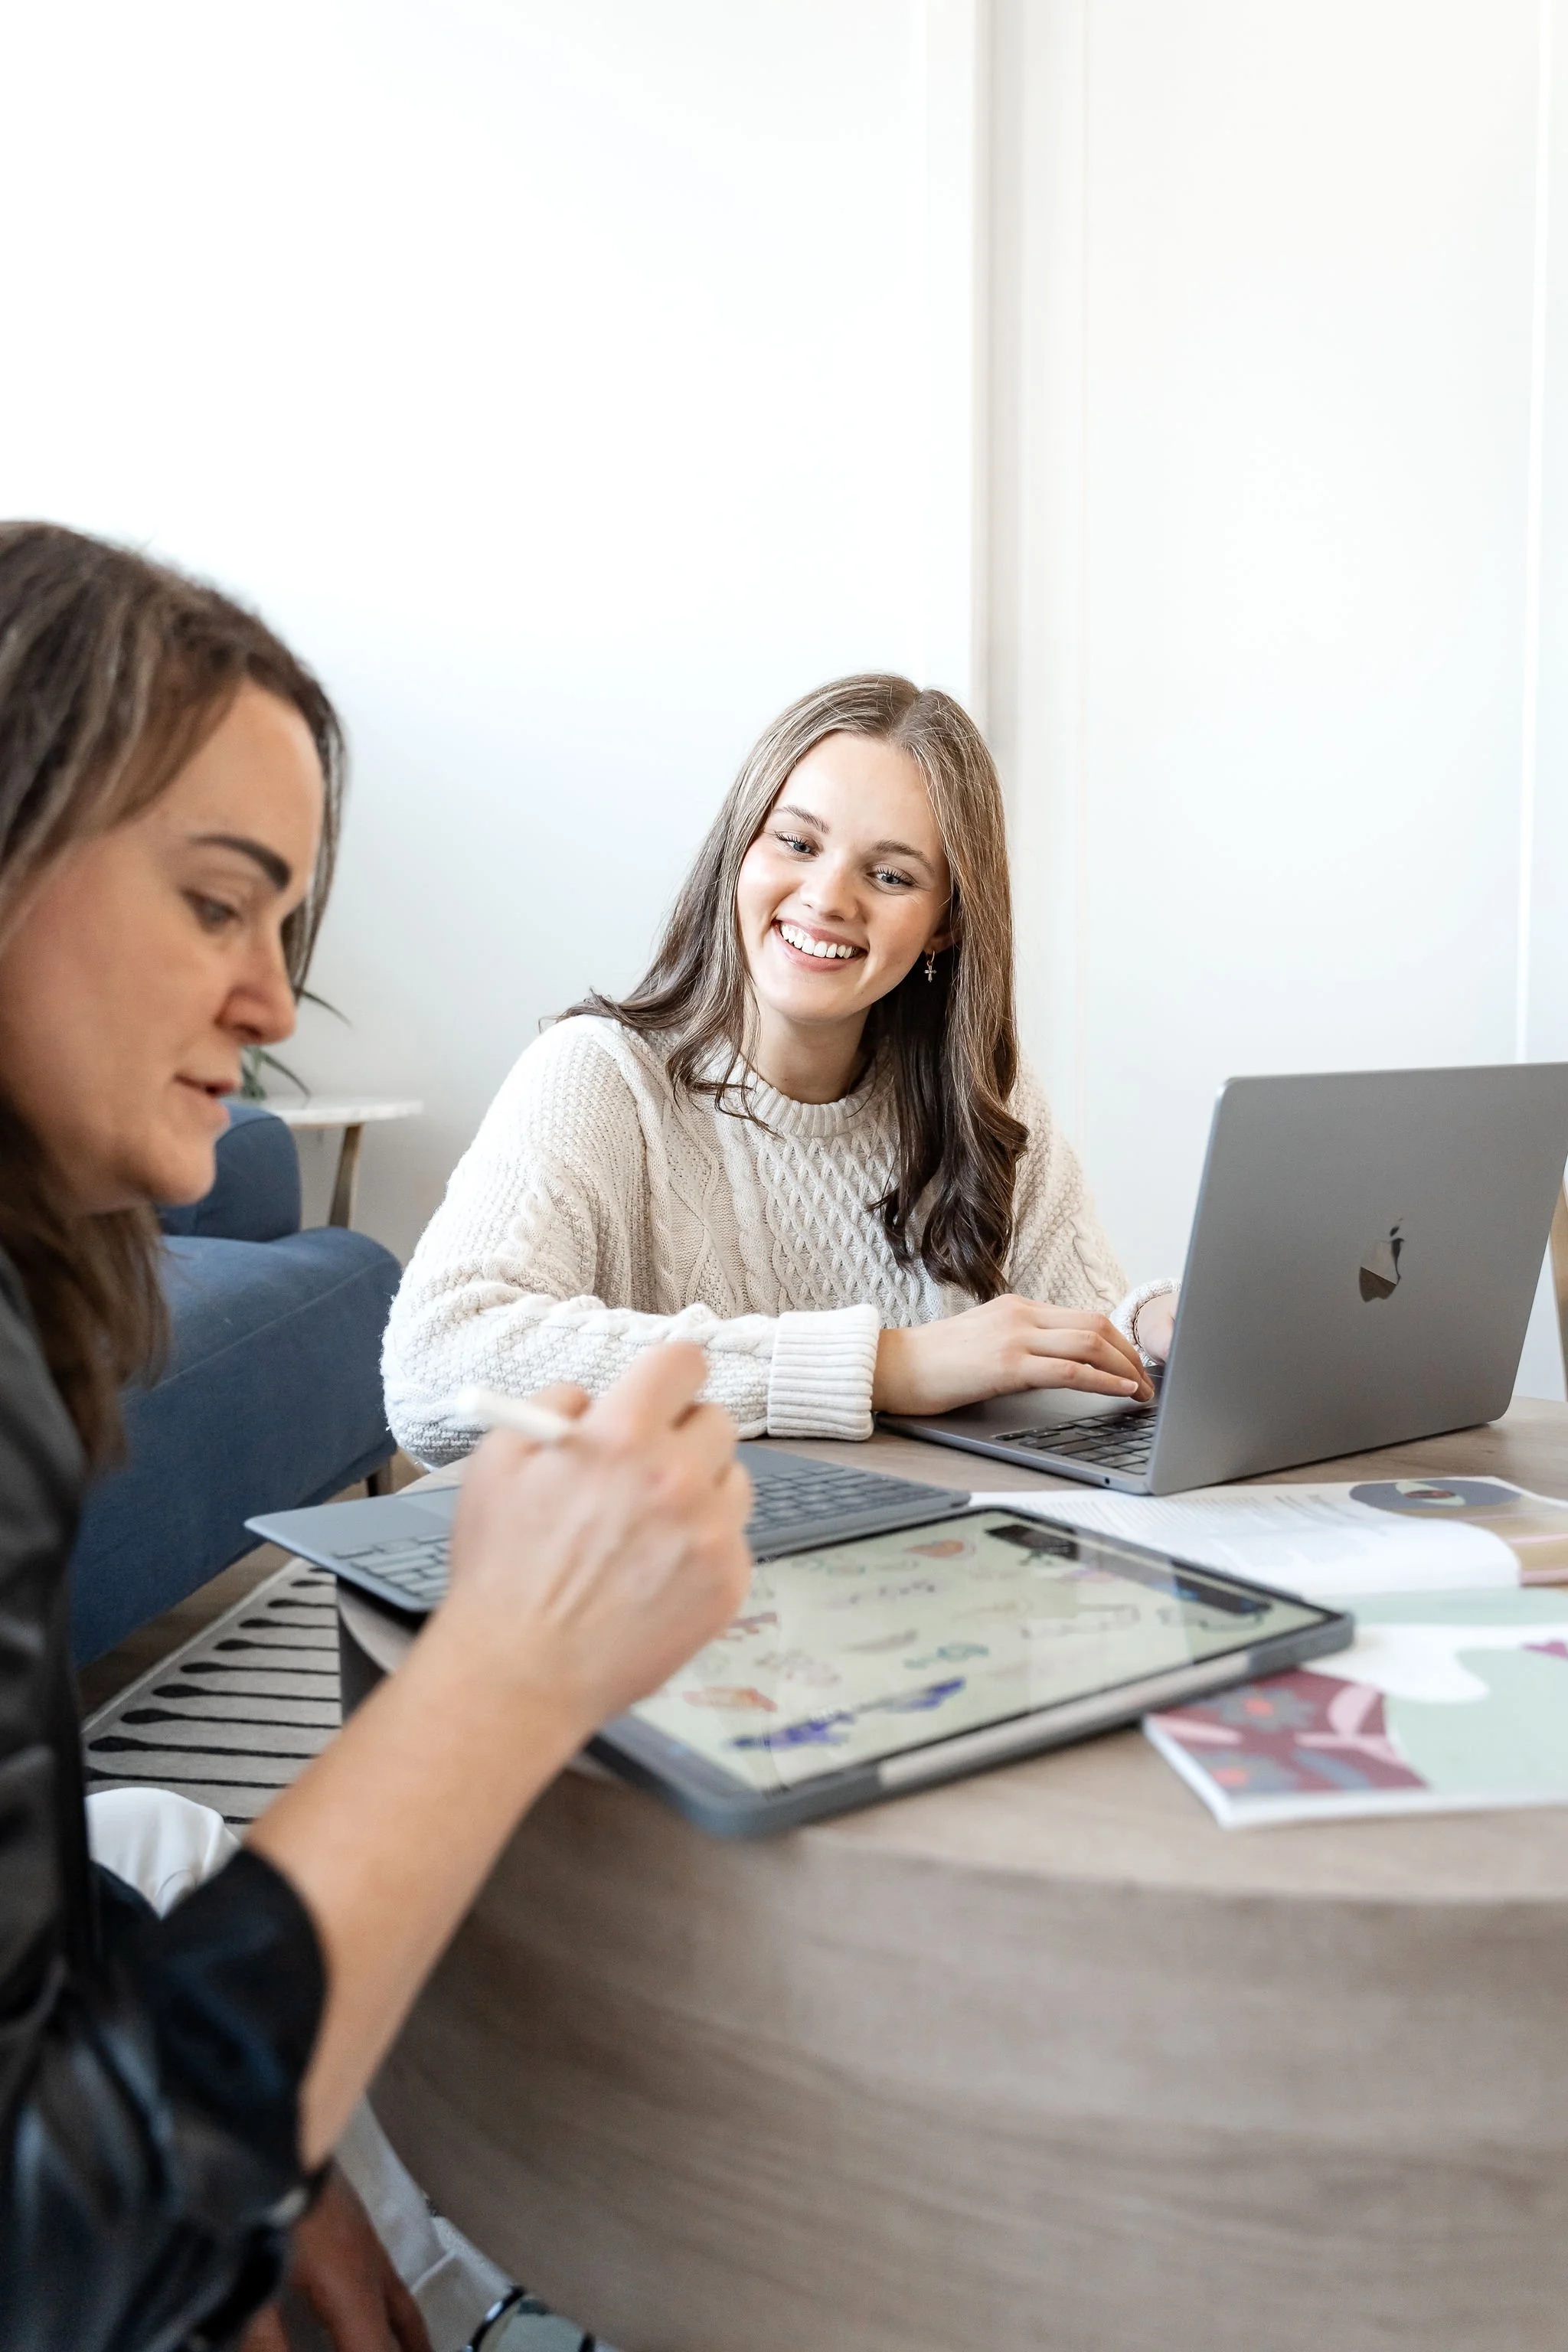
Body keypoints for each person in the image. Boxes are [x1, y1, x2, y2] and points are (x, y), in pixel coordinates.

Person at [0, 523, 751, 2352]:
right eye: (213, 899)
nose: (271, 1000)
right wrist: (500, 1664)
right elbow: (42, 2261)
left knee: (158, 1839)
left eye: (286, 923)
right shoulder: (606, 1068)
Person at [384, 674, 1176, 1465]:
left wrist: (1149, 1330)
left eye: (891, 875)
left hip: (928, 1559)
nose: (827, 897)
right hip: (687, 1568)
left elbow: (1065, 1353)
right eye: (796, 843)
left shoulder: (983, 1095)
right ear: (740, 850)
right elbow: (434, 1370)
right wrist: (884, 1366)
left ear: (944, 926)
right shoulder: (598, 1078)